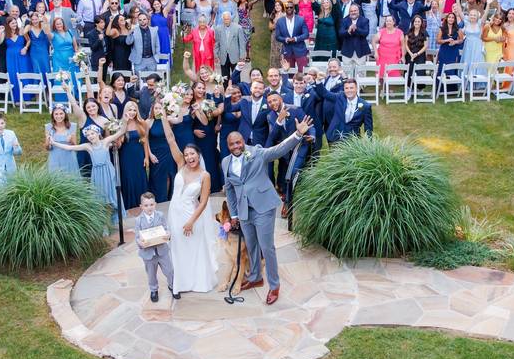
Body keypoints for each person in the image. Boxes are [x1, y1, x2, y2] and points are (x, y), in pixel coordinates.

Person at [223, 115, 313, 306]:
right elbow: (230, 190)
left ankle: (274, 285)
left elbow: (278, 150)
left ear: (243, 141)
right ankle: (255, 277)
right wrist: (234, 215)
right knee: (251, 245)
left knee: (267, 247)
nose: (236, 146)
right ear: (228, 145)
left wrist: (297, 134)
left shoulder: (256, 152)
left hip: (263, 206)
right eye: (232, 144)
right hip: (244, 210)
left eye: (238, 142)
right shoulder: (225, 163)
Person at [160, 112, 218, 294]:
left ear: (198, 155)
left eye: (192, 154)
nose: (189, 157)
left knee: (192, 248)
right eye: (186, 155)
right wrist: (162, 114)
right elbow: (170, 139)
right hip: (175, 214)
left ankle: (196, 281)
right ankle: (180, 282)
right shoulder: (180, 165)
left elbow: (203, 202)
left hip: (191, 215)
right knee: (177, 248)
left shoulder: (205, 175)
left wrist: (191, 221)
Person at [49, 123, 127, 224]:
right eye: (88, 135)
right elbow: (70, 148)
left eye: (92, 133)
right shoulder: (88, 146)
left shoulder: (105, 142)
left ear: (98, 133)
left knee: (110, 197)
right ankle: (104, 224)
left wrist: (125, 119)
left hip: (108, 173)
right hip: (97, 175)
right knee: (101, 199)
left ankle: (112, 221)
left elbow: (121, 131)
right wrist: (54, 143)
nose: (90, 136)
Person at [134, 192, 178, 303]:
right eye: (146, 205)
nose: (149, 208)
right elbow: (137, 237)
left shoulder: (160, 215)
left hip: (162, 250)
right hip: (148, 253)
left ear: (155, 204)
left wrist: (168, 234)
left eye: (151, 205)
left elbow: (166, 228)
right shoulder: (138, 220)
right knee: (151, 274)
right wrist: (141, 243)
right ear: (141, 206)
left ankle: (172, 286)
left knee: (169, 270)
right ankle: (154, 290)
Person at [313, 77, 373, 144]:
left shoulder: (365, 106)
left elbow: (368, 128)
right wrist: (318, 81)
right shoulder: (340, 97)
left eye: (351, 88)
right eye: (346, 88)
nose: (349, 90)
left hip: (352, 140)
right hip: (334, 135)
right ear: (344, 89)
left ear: (356, 89)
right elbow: (325, 93)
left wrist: (369, 143)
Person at [118, 101, 151, 210]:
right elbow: (119, 143)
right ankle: (129, 206)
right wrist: (124, 124)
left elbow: (145, 141)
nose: (132, 112)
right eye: (130, 110)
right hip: (126, 157)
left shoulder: (142, 123)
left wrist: (146, 157)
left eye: (134, 110)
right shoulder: (120, 124)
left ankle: (142, 204)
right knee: (128, 179)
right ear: (125, 111)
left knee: (140, 178)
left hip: (139, 155)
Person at [45, 104, 80, 177]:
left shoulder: (72, 126)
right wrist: (49, 142)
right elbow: (47, 148)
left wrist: (71, 140)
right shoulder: (49, 127)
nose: (59, 116)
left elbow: (75, 147)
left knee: (71, 178)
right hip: (55, 157)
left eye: (61, 113)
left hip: (69, 157)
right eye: (56, 114)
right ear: (53, 115)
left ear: (65, 114)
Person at [274, 2, 309, 72]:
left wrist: (295, 39)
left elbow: (306, 34)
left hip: (300, 50)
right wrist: (285, 39)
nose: (289, 9)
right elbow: (277, 36)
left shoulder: (301, 19)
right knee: (289, 73)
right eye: (287, 7)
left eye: (291, 7)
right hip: (287, 50)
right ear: (285, 9)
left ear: (294, 9)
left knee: (302, 72)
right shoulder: (280, 21)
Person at [339, 3, 371, 79]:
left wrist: (356, 28)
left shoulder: (365, 20)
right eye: (351, 11)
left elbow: (365, 33)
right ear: (349, 12)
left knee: (361, 71)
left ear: (358, 11)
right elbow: (341, 33)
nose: (353, 12)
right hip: (347, 50)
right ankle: (346, 87)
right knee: (346, 71)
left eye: (355, 10)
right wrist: (348, 31)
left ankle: (361, 88)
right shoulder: (344, 21)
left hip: (360, 49)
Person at [214, 11, 246, 77]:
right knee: (225, 77)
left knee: (236, 76)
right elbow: (217, 43)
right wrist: (216, 55)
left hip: (235, 56)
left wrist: (242, 56)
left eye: (228, 19)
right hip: (223, 56)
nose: (226, 21)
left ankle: (236, 87)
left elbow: (242, 44)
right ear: (222, 19)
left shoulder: (238, 28)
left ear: (230, 18)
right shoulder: (218, 29)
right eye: (225, 19)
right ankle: (226, 87)